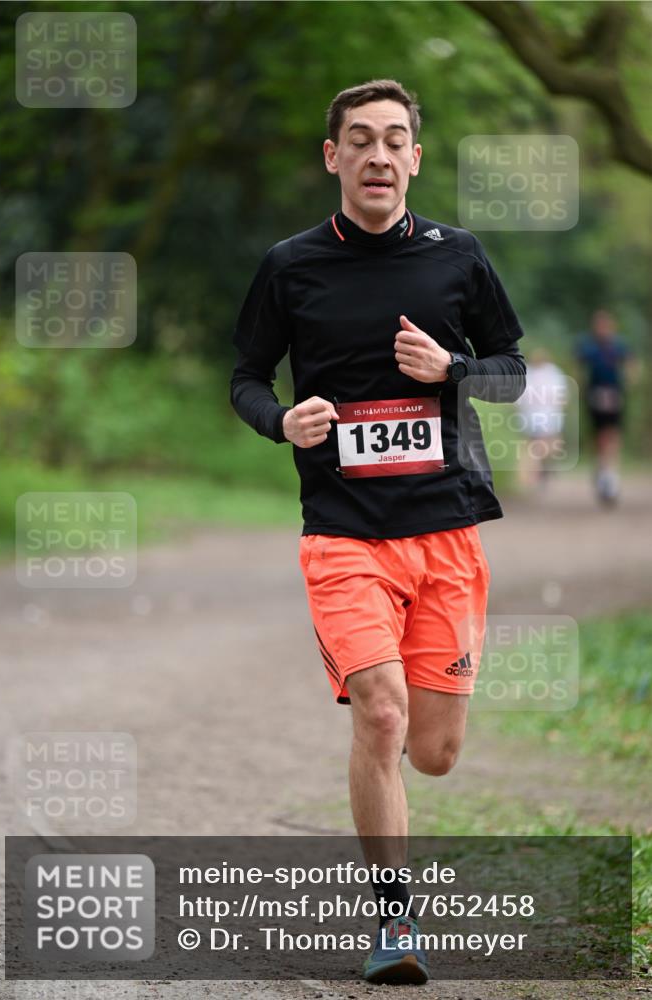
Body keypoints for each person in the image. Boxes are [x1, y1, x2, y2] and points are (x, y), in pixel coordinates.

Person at [230, 79, 526, 984]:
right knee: (381, 711)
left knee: (431, 752)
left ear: (414, 159)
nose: (377, 156)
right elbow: (246, 377)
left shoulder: (458, 256)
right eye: (358, 140)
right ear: (333, 158)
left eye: (394, 140)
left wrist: (454, 366)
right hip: (342, 535)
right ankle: (393, 927)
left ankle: (385, 768)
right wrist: (281, 421)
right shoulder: (289, 266)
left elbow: (511, 373)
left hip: (443, 533)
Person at [576, 309, 632, 505]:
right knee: (599, 435)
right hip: (596, 395)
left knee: (613, 433)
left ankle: (610, 473)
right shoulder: (589, 347)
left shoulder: (618, 346)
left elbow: (630, 365)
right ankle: (602, 469)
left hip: (614, 394)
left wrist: (627, 382)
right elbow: (580, 367)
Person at [515, 348, 569, 491]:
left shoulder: (553, 373)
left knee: (548, 447)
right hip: (532, 417)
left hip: (549, 415)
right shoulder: (528, 373)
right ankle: (536, 472)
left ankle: (541, 469)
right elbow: (520, 397)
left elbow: (562, 396)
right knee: (538, 446)